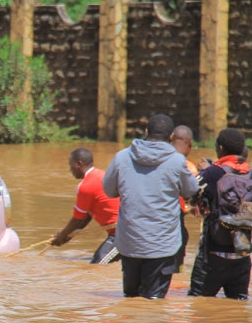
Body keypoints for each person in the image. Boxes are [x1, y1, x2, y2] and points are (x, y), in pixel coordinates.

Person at [102, 114, 199, 299]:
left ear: (146, 132)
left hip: (130, 243)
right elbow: (191, 191)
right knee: (154, 302)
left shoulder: (122, 157)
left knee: (131, 298)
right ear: (171, 137)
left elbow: (108, 191)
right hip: (163, 245)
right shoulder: (177, 161)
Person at [188, 128, 251, 300]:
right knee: (238, 309)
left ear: (221, 148)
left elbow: (190, 196)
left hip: (212, 256)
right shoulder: (250, 175)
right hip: (242, 256)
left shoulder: (212, 173)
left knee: (198, 305)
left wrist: (203, 173)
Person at [51, 147, 120, 264]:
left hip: (124, 233)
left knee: (97, 266)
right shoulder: (101, 174)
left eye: (70, 165)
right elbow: (85, 217)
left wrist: (62, 236)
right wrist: (66, 236)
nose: (70, 169)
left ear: (79, 164)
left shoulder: (86, 185)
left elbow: (78, 218)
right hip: (122, 231)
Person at [170, 125, 199, 273]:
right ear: (190, 144)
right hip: (175, 230)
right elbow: (190, 196)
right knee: (174, 272)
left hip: (147, 230)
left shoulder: (155, 160)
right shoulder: (189, 167)